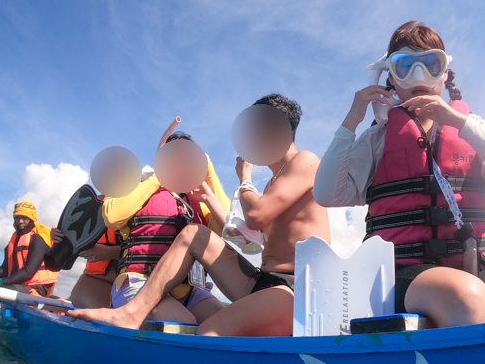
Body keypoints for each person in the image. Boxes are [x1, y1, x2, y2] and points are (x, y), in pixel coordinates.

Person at [313, 21, 485, 328]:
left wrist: (458, 122)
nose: (419, 76)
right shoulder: (376, 140)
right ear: (389, 76)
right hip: (401, 270)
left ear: (445, 74)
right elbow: (327, 194)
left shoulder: (470, 127)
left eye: (431, 64)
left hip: (476, 263)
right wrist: (352, 120)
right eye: (404, 66)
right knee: (467, 297)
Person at [70, 94, 331, 336]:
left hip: (295, 288)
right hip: (264, 281)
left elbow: (256, 216)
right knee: (194, 233)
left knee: (209, 331)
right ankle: (131, 313)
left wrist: (244, 177)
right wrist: (209, 199)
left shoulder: (305, 161)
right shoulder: (271, 184)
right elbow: (248, 241)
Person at [99, 131, 229, 325]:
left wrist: (209, 171)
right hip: (139, 283)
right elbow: (111, 217)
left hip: (188, 291)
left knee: (230, 323)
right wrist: (161, 175)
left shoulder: (198, 200)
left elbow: (228, 228)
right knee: (182, 322)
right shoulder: (139, 185)